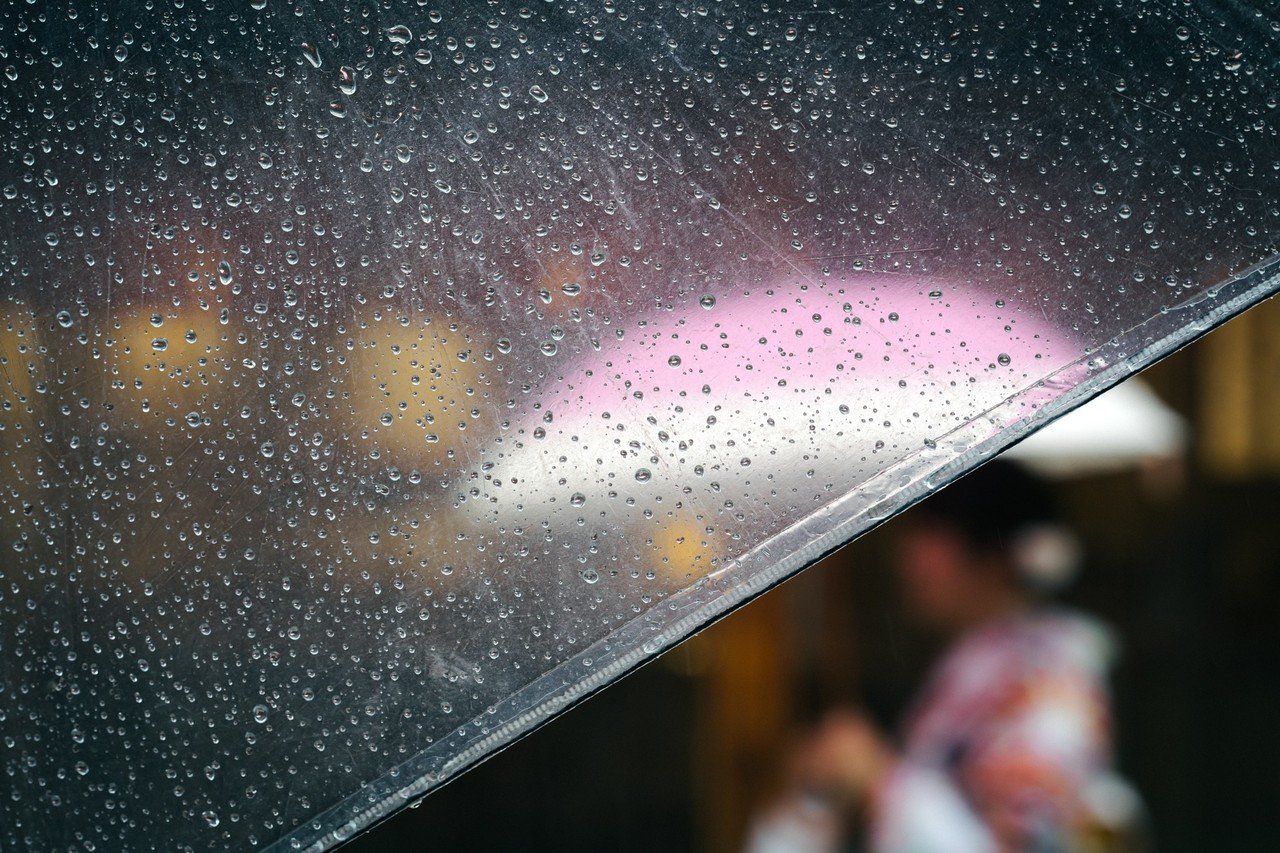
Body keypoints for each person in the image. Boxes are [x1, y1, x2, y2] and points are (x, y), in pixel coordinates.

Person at [747, 461, 1144, 852]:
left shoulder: (1048, 683)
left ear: (990, 554)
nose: (907, 554)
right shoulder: (983, 664)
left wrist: (874, 777)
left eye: (929, 530)